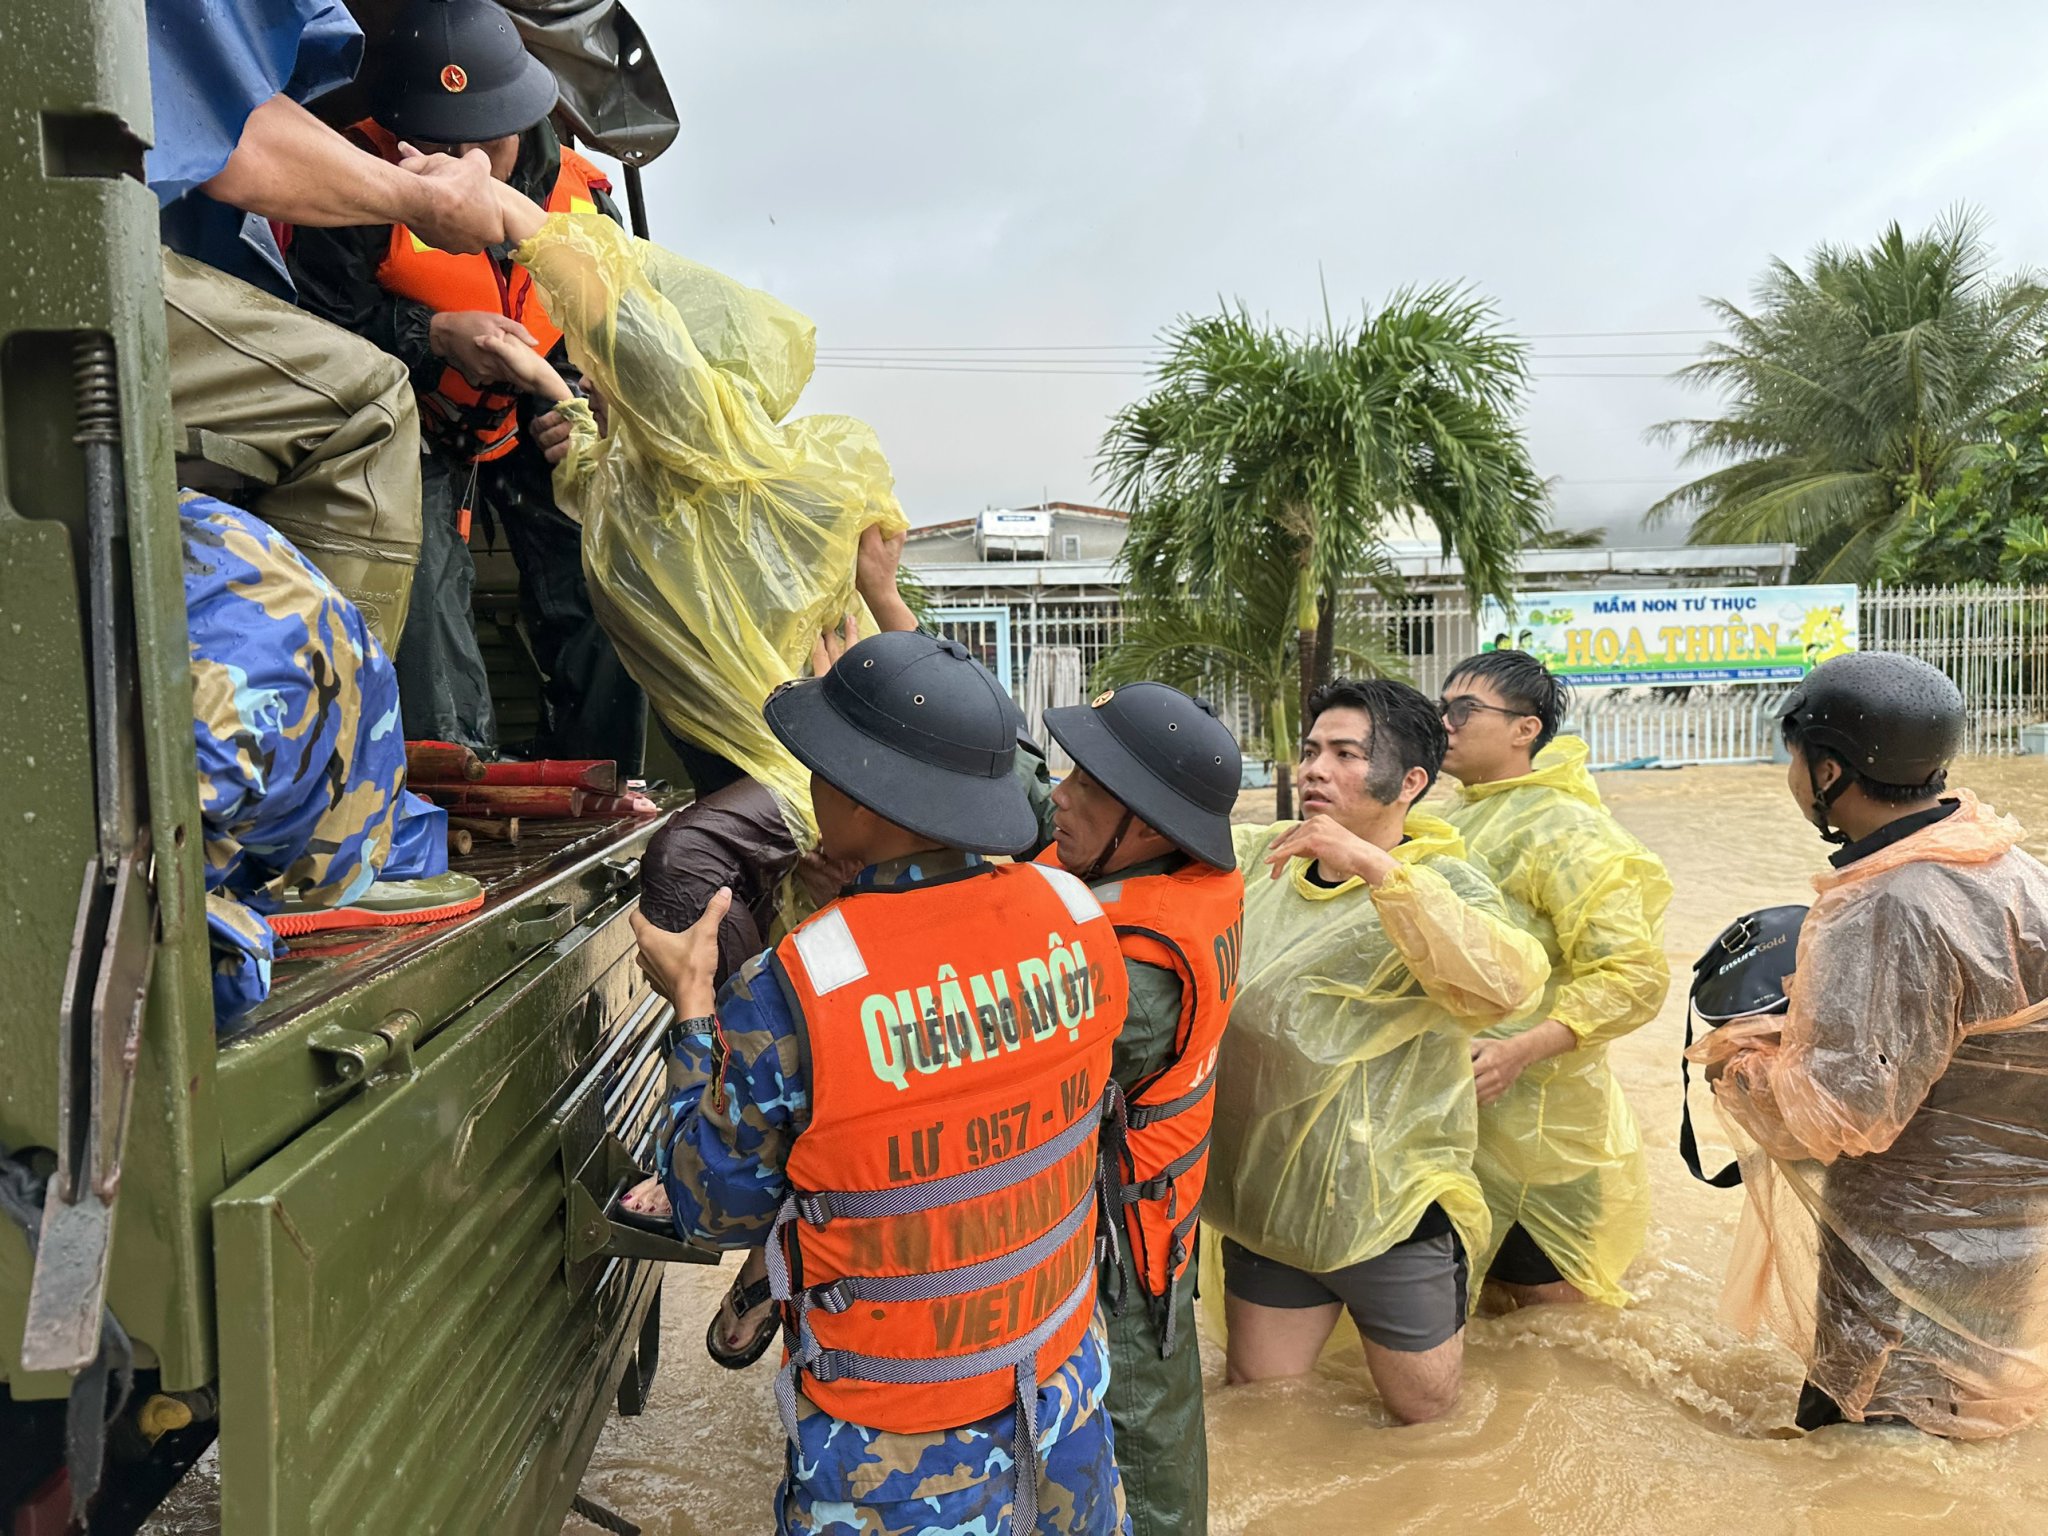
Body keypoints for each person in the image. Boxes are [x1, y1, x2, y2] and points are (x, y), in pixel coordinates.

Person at [626, 629, 1131, 1533]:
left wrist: (694, 1007)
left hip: (897, 1464)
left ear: (859, 797)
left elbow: (713, 1208)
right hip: (1064, 1402)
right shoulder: (1077, 915)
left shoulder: (792, 990)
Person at [1689, 651, 2048, 1439]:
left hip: (1902, 1249)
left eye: (1794, 758)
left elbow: (1840, 1115)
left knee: (1874, 1444)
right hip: (2013, 1237)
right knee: (1972, 1426)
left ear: (1827, 773)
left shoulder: (1883, 906)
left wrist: (1738, 1060)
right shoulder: (2017, 870)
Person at [289, 0, 645, 763]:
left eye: (486, 140)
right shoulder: (352, 182)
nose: (463, 165)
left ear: (523, 116)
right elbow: (317, 332)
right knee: (418, 587)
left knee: (602, 568)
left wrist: (579, 403)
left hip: (530, 422)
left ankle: (601, 780)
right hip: (405, 422)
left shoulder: (590, 204)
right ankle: (461, 782)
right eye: (436, 141)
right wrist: (432, 336)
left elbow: (624, 343)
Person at [1205, 679, 1549, 1423]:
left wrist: (1371, 865)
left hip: (1390, 1207)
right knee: (1263, 1415)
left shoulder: (1443, 884)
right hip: (1274, 1204)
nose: (1316, 770)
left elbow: (1507, 983)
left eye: (1345, 754)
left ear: (1412, 782)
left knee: (1427, 1428)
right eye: (1311, 751)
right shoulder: (1261, 859)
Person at [148, 0, 510, 649]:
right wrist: (424, 205)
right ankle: (326, 735)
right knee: (367, 407)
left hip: (502, 453)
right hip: (70, 260)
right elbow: (230, 137)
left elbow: (232, 109)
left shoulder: (580, 196)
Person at [1038, 684, 1245, 1536]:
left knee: (1138, 1452)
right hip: (1156, 1211)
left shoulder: (1138, 975)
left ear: (1149, 826)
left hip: (1125, 1246)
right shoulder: (1180, 880)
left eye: (1085, 784)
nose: (1059, 793)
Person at [1438, 650, 1672, 1309]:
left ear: (1525, 728)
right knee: (1479, 1324)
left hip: (1545, 1133)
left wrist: (1519, 1051)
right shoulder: (1452, 819)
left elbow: (1633, 975)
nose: (1446, 724)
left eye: (1464, 709)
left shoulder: (1564, 830)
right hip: (1461, 1118)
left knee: (1553, 1333)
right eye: (1442, 709)